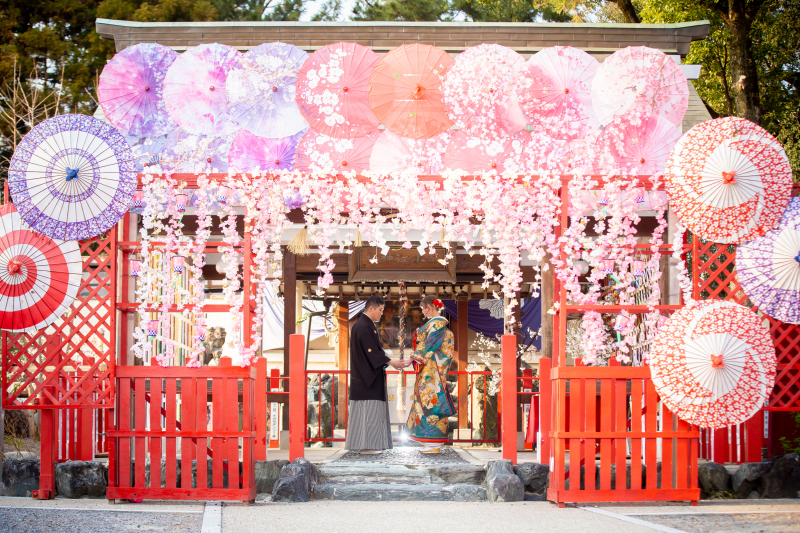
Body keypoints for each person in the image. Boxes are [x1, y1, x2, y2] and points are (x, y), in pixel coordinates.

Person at [345, 295, 412, 454]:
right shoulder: (363, 326)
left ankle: (370, 445)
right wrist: (391, 361)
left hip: (367, 377)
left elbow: (374, 352)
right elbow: (372, 352)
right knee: (370, 413)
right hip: (366, 379)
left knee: (369, 413)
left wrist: (385, 357)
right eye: (380, 310)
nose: (382, 313)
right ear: (371, 308)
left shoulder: (365, 325)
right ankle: (368, 446)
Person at [406, 295, 456, 454]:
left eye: (425, 308)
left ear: (433, 307)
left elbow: (428, 346)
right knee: (430, 403)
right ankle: (430, 442)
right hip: (432, 371)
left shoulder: (437, 325)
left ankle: (433, 444)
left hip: (432, 372)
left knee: (431, 404)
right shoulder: (437, 325)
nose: (424, 311)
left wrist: (412, 359)